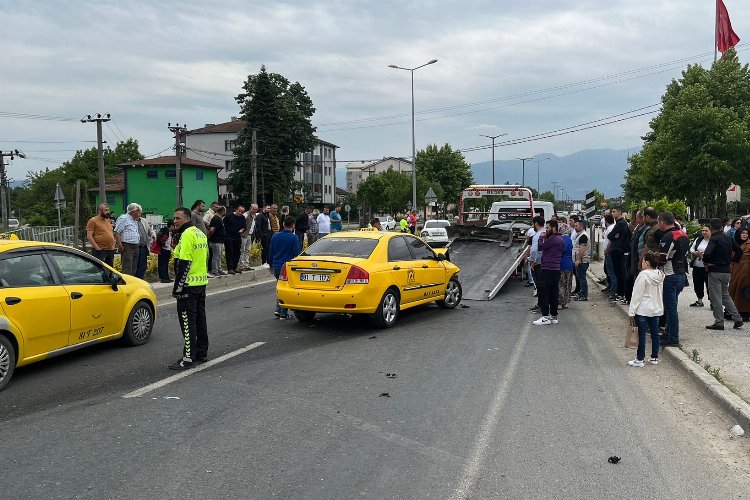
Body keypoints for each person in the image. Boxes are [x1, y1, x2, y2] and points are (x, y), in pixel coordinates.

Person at [169, 207, 209, 370]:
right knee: (200, 320)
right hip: (200, 283)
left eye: (178, 218)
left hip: (188, 286)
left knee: (187, 322)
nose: (175, 221)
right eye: (174, 218)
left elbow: (184, 263)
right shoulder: (200, 233)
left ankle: (188, 358)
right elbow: (205, 257)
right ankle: (201, 352)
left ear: (186, 218)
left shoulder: (187, 235)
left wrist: (177, 288)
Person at [702, 218, 743, 330]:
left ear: (710, 227)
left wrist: (706, 262)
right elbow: (739, 251)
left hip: (715, 270)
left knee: (716, 298)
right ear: (721, 226)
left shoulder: (714, 239)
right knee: (725, 295)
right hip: (726, 270)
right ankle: (737, 318)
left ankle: (719, 322)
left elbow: (707, 253)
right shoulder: (728, 238)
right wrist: (733, 261)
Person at [657, 211, 689, 344]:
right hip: (681, 275)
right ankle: (668, 334)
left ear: (662, 222)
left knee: (670, 309)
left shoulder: (668, 237)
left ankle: (673, 338)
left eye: (659, 222)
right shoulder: (684, 235)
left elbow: (663, 259)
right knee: (672, 306)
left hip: (670, 275)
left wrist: (654, 261)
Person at [627, 252, 664, 367]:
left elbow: (637, 294)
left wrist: (631, 311)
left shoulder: (643, 275)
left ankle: (640, 359)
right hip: (656, 308)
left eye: (643, 261)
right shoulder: (660, 274)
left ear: (647, 263)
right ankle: (654, 357)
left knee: (641, 335)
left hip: (643, 309)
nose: (642, 263)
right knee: (655, 333)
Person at [269, 216, 301, 319]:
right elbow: (297, 253)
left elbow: (271, 252)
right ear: (293, 226)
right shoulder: (293, 237)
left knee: (280, 287)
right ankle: (283, 313)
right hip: (287, 267)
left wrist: (270, 265)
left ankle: (279, 310)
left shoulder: (275, 236)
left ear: (283, 224)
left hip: (276, 266)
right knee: (286, 289)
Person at [533, 219, 564, 325]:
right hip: (554, 269)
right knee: (553, 293)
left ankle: (545, 316)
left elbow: (541, 247)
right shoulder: (559, 238)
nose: (545, 230)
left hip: (548, 269)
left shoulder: (554, 238)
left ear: (554, 228)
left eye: (547, 227)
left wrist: (541, 238)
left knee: (543, 292)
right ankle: (553, 316)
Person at [607, 206, 631, 302]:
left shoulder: (621, 223)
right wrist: (614, 236)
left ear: (619, 213)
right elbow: (611, 235)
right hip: (616, 249)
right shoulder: (619, 223)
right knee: (618, 273)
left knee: (620, 273)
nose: (612, 213)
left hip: (618, 250)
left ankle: (621, 293)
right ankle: (620, 293)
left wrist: (614, 236)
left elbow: (610, 235)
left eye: (614, 211)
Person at [114, 203, 146, 276]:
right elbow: (116, 232)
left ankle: (131, 283)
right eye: (138, 212)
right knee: (127, 267)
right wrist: (119, 245)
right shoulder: (124, 218)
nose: (140, 213)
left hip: (136, 246)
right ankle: (126, 284)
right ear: (133, 211)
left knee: (134, 268)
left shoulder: (135, 220)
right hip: (127, 246)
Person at [729, 227, 750, 321]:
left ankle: (744, 312)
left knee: (743, 291)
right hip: (735, 270)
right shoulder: (734, 243)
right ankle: (732, 311)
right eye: (743, 233)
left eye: (746, 233)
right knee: (733, 289)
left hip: (746, 272)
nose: (745, 235)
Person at [689, 226, 711, 307]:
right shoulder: (698, 239)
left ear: (710, 231)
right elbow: (691, 248)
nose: (704, 232)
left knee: (710, 284)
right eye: (703, 230)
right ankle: (699, 300)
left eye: (706, 230)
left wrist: (705, 255)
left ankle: (712, 302)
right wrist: (695, 252)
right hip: (697, 265)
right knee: (697, 283)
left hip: (708, 266)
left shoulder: (713, 241)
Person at [224, 205, 246, 274]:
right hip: (229, 237)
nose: (240, 213)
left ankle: (235, 267)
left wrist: (243, 230)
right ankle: (230, 268)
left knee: (237, 252)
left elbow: (245, 226)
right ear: (236, 210)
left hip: (237, 237)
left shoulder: (242, 217)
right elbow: (224, 225)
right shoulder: (229, 216)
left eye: (242, 212)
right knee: (230, 252)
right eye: (239, 211)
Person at [572, 219, 590, 301]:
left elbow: (582, 249)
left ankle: (584, 295)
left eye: (576, 226)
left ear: (581, 226)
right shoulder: (580, 235)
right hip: (581, 260)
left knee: (582, 278)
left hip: (582, 260)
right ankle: (581, 293)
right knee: (580, 278)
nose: (575, 227)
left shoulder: (583, 236)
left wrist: (578, 259)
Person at [208, 205, 227, 276]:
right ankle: (215, 270)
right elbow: (212, 229)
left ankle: (219, 269)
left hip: (220, 241)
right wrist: (210, 236)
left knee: (219, 256)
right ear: (222, 212)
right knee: (216, 256)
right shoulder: (215, 219)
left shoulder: (219, 219)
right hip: (216, 241)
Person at [239, 204, 258, 270]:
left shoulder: (254, 215)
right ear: (250, 208)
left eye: (256, 209)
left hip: (249, 235)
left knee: (247, 250)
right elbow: (241, 223)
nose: (255, 210)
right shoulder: (246, 215)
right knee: (242, 250)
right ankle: (241, 266)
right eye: (253, 209)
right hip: (244, 235)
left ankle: (246, 265)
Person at [558, 230, 574, 308]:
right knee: (568, 283)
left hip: (562, 263)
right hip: (569, 263)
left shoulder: (561, 239)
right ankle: (565, 302)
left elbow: (561, 250)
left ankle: (560, 302)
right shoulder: (569, 239)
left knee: (561, 284)